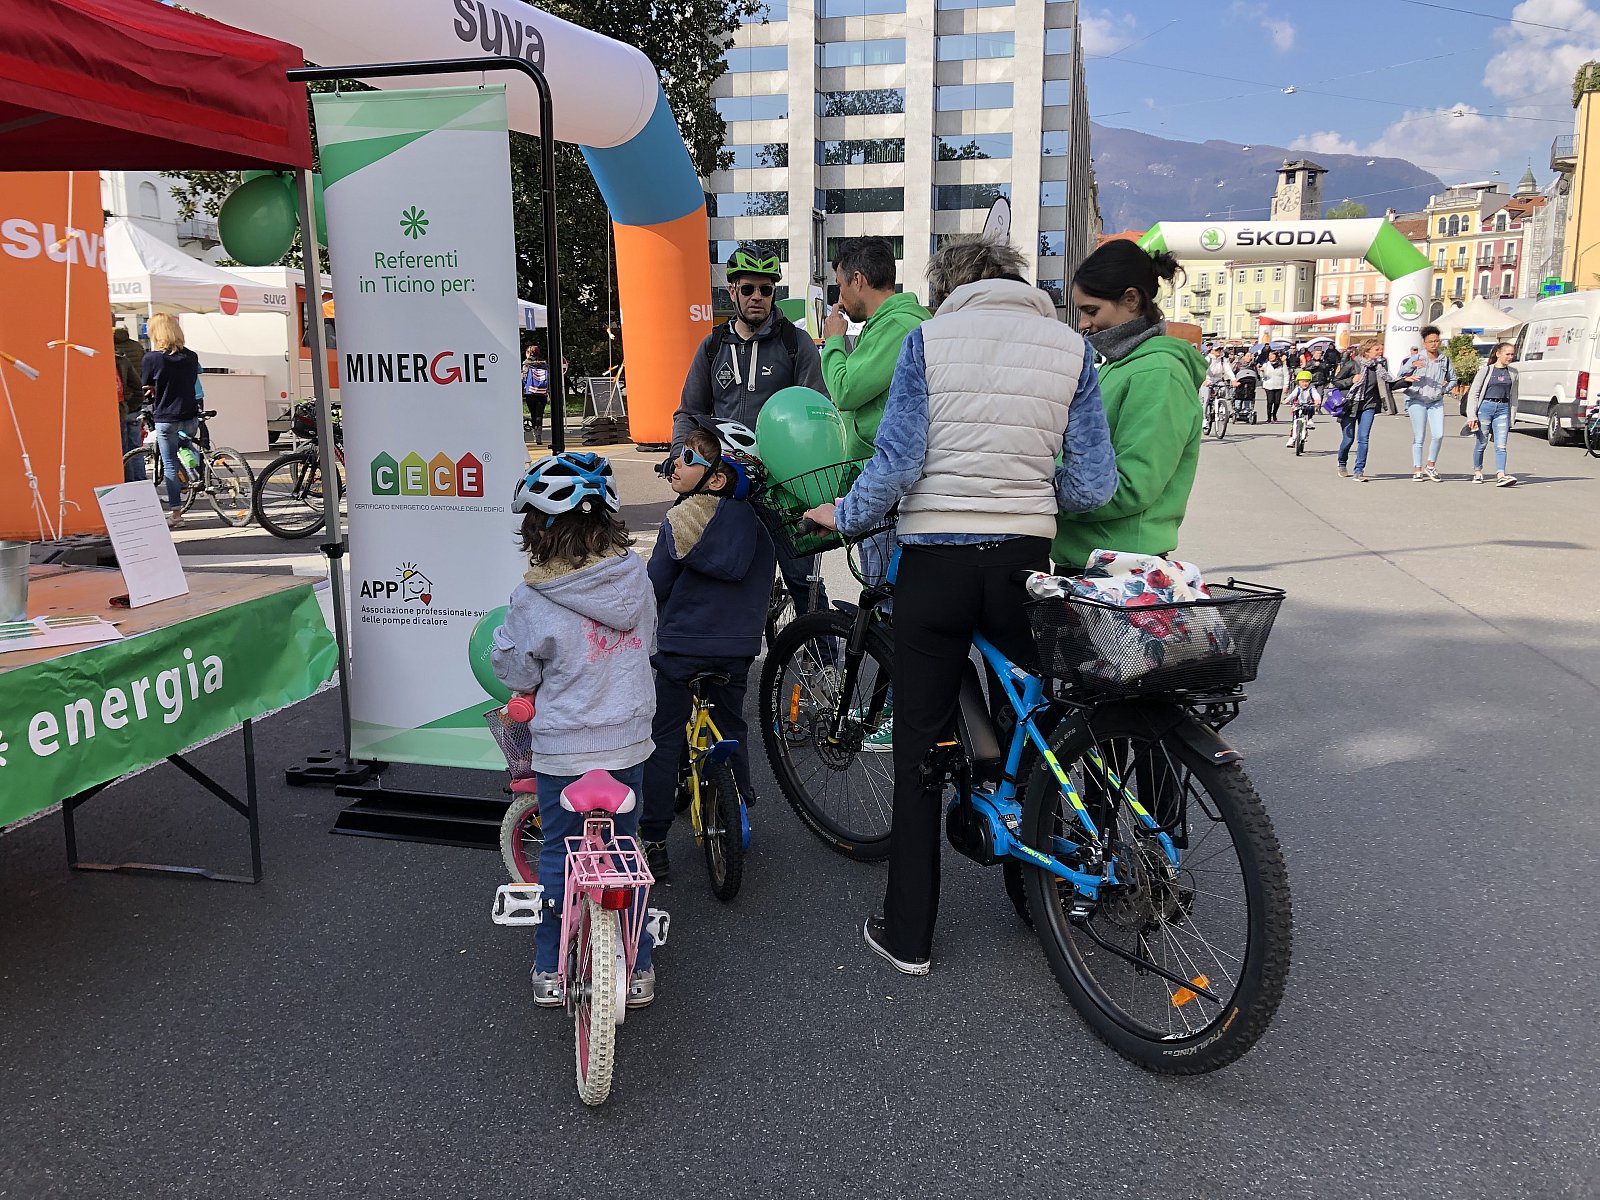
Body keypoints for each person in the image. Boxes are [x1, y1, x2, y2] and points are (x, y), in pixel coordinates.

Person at [801, 237, 1118, 977]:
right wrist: (1027, 492)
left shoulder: (927, 341)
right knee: (1032, 724)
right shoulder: (1072, 349)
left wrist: (846, 515)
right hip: (1023, 562)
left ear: (947, 289)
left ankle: (909, 934)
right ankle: (1039, 891)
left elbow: (898, 460)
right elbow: (1093, 484)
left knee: (919, 744)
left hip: (936, 565)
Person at [490, 452, 659, 1009]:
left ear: (536, 531)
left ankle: (550, 966)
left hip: (563, 750)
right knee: (627, 850)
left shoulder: (533, 597)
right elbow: (649, 643)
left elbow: (517, 671)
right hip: (628, 741)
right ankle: (639, 968)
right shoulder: (635, 576)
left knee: (561, 855)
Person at [638, 417, 775, 882]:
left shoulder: (681, 521)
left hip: (681, 648)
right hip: (737, 648)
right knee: (731, 725)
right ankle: (739, 804)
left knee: (663, 738)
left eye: (687, 457)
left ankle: (655, 838)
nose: (674, 463)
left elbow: (655, 585)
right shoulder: (759, 524)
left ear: (715, 479)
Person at [674, 245, 828, 617]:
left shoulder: (796, 344)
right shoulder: (713, 346)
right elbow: (690, 412)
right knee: (715, 569)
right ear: (732, 291)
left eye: (765, 289)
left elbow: (818, 410)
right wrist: (680, 455)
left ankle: (821, 650)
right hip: (724, 480)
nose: (757, 296)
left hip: (783, 485)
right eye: (748, 289)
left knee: (801, 577)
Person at [1055, 237, 1204, 569]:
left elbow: (1135, 485)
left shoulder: (1158, 372)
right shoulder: (1118, 366)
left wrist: (1045, 493)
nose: (1084, 324)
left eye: (1091, 310)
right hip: (1091, 559)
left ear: (1131, 299)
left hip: (1119, 567)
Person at [139, 313, 202, 528]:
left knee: (170, 464)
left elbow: (146, 385)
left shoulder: (152, 358)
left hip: (166, 417)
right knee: (185, 447)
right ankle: (197, 471)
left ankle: (176, 514)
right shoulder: (191, 356)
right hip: (190, 415)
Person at [1400, 325, 1457, 481]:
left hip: (1435, 401)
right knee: (1419, 436)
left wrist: (1444, 390)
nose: (1434, 344)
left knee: (1438, 435)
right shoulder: (1416, 358)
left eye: (1437, 341)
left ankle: (1430, 466)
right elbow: (1400, 375)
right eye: (1430, 341)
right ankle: (1417, 469)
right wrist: (1411, 366)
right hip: (1417, 400)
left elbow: (1453, 378)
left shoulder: (1444, 359)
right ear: (1424, 343)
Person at [1335, 339, 1392, 482]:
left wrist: (1406, 381)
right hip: (1350, 405)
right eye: (1377, 350)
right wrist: (1351, 381)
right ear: (1367, 351)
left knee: (1363, 438)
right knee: (1348, 439)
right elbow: (1336, 381)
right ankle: (1342, 462)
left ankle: (1359, 471)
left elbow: (1390, 384)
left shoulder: (1379, 367)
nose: (1380, 352)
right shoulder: (1352, 365)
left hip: (1368, 406)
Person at [1467, 341, 1518, 486]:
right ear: (1498, 354)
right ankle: (1477, 471)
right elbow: (1474, 393)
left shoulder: (1513, 373)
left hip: (1503, 409)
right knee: (1481, 443)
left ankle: (1501, 475)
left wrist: (1512, 417)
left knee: (1501, 445)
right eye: (1507, 354)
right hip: (1485, 408)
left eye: (1512, 354)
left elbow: (1514, 396)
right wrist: (1472, 415)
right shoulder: (1486, 371)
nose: (1510, 357)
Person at [113, 324, 147, 482]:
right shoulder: (136, 346)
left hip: (121, 406)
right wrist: (134, 404)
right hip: (131, 405)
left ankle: (128, 485)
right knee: (136, 450)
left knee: (122, 452)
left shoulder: (112, 354)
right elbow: (137, 383)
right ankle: (140, 483)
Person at [1282, 368, 1322, 447]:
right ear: (1298, 382)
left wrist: (1317, 400)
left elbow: (1315, 394)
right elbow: (1292, 395)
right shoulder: (1298, 389)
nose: (1304, 384)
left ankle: (1310, 420)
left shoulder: (1311, 388)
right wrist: (1286, 400)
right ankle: (1292, 438)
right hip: (1298, 405)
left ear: (1310, 382)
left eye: (1306, 382)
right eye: (1302, 382)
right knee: (1294, 424)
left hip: (1308, 405)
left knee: (1310, 408)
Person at [521, 344, 550, 446]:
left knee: (533, 414)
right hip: (542, 393)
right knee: (539, 415)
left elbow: (523, 378)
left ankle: (535, 434)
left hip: (531, 393)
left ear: (529, 353)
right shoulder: (544, 364)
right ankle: (539, 435)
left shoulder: (527, 364)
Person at [1261, 350, 1288, 422]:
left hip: (1279, 385)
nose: (1271, 356)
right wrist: (1262, 372)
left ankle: (1274, 414)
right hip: (1268, 385)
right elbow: (1263, 377)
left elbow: (1286, 375)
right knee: (1270, 402)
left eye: (1272, 355)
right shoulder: (1266, 365)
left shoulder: (1282, 364)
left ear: (1276, 356)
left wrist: (1286, 386)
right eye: (1269, 355)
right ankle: (1269, 417)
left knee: (1277, 402)